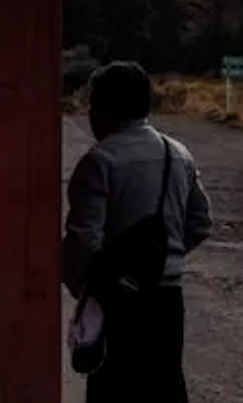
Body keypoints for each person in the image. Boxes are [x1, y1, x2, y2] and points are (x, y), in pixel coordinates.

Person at [64, 62, 213, 402]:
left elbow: (83, 239)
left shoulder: (99, 161)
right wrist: (162, 257)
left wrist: (88, 290)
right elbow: (201, 222)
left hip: (116, 302)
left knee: (112, 390)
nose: (90, 114)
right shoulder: (179, 154)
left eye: (93, 105)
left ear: (108, 106)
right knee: (165, 387)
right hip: (168, 299)